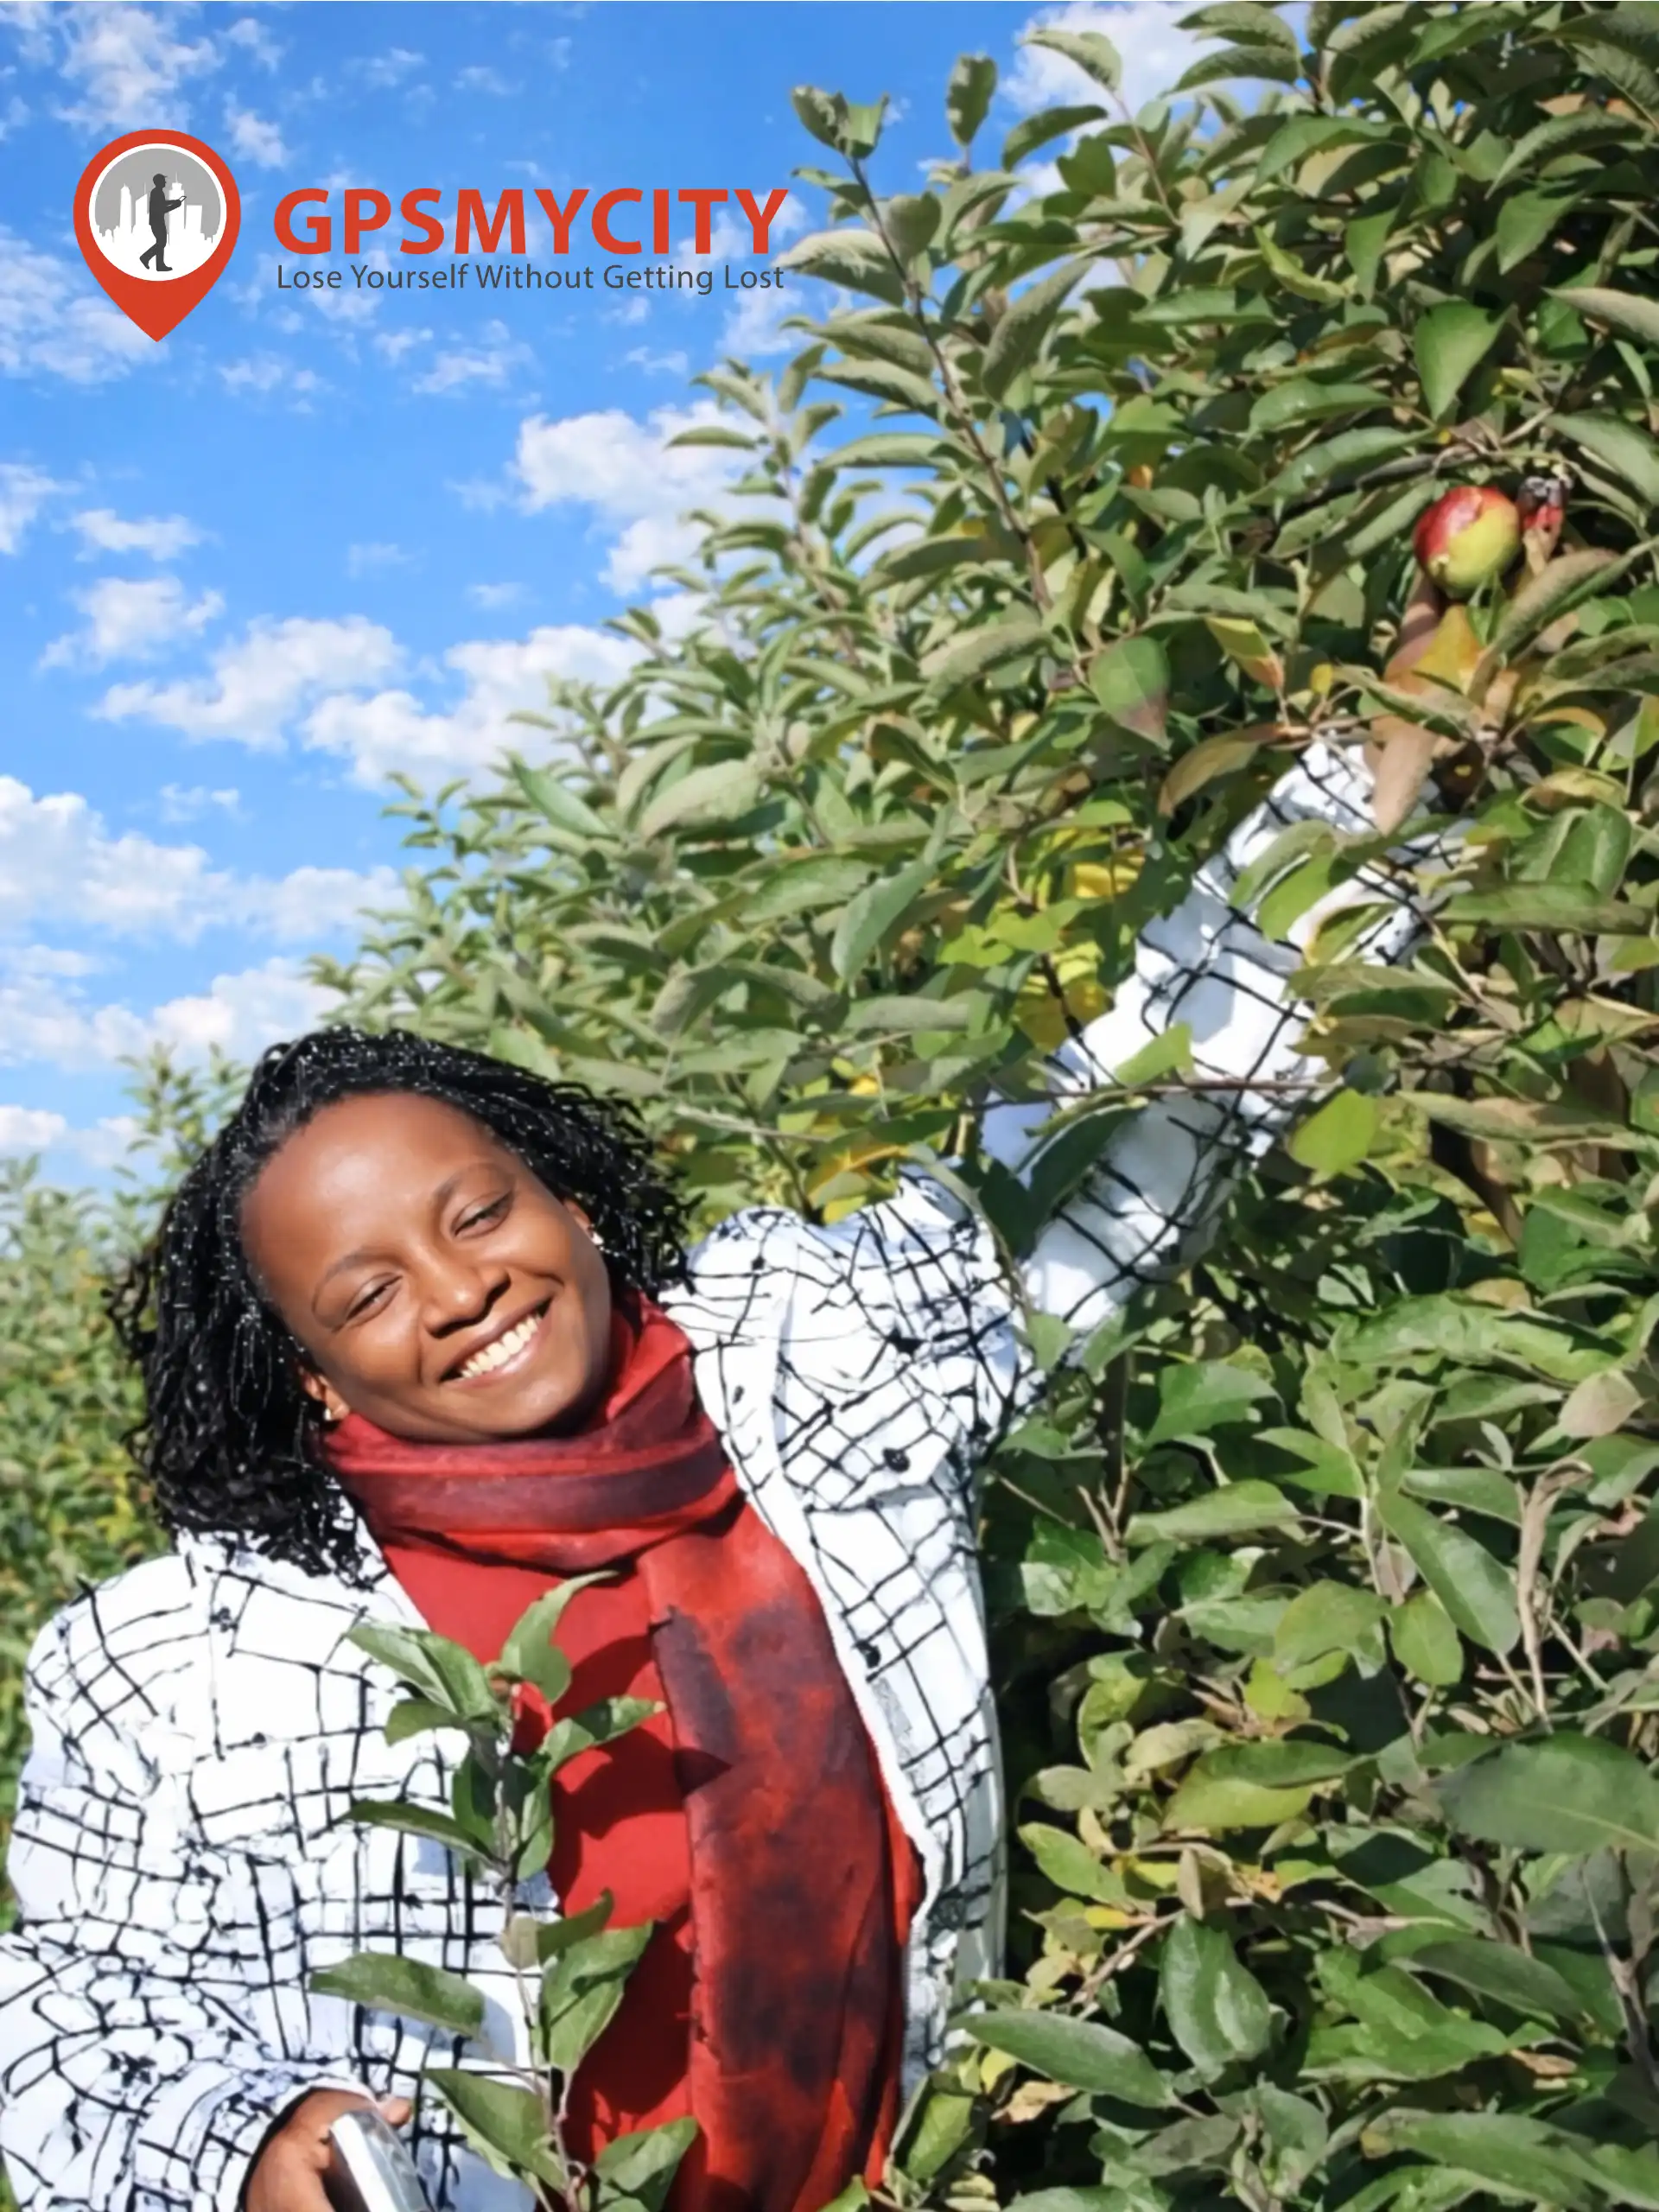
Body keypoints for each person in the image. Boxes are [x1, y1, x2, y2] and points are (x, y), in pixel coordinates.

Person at [0, 743, 1442, 2212]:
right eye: (367, 1297)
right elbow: (60, 2020)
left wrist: (1377, 784)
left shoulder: (806, 1360)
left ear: (565, 1193)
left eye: (481, 1212)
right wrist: (247, 2148)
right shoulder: (173, 1662)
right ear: (309, 1371)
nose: (461, 1291)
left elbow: (1109, 1135)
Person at [139, 174, 183, 273]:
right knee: (161, 243)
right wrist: (175, 206)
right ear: (159, 182)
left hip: (156, 221)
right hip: (157, 222)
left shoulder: (157, 192)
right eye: (163, 181)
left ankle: (159, 265)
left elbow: (162, 203)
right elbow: (162, 209)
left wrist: (174, 201)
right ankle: (145, 258)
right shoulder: (157, 192)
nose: (165, 182)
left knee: (161, 243)